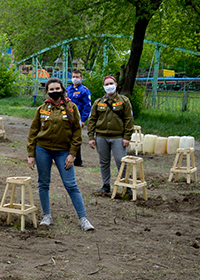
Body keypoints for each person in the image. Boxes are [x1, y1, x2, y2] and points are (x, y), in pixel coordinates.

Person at [27, 79, 94, 231]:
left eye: (57, 88)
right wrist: (31, 154)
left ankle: (84, 219)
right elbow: (33, 132)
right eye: (51, 89)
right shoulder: (42, 109)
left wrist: (72, 154)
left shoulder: (71, 107)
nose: (54, 91)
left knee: (71, 184)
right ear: (47, 91)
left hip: (63, 151)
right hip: (42, 149)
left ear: (62, 89)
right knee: (43, 183)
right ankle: (46, 216)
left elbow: (77, 133)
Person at [87, 75, 135, 196]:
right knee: (104, 162)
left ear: (116, 85)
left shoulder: (124, 101)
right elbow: (92, 120)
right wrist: (91, 137)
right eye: (106, 84)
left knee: (121, 161)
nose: (109, 86)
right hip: (101, 137)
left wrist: (127, 137)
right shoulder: (98, 102)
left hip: (118, 137)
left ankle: (127, 186)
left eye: (111, 83)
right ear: (103, 87)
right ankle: (105, 185)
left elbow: (129, 119)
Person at [65, 70, 91, 167]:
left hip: (78, 117)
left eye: (77, 76)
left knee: (76, 138)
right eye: (73, 76)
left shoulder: (84, 90)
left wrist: (83, 119)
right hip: (67, 117)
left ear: (81, 78)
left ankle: (78, 160)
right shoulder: (68, 89)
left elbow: (87, 106)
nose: (75, 78)